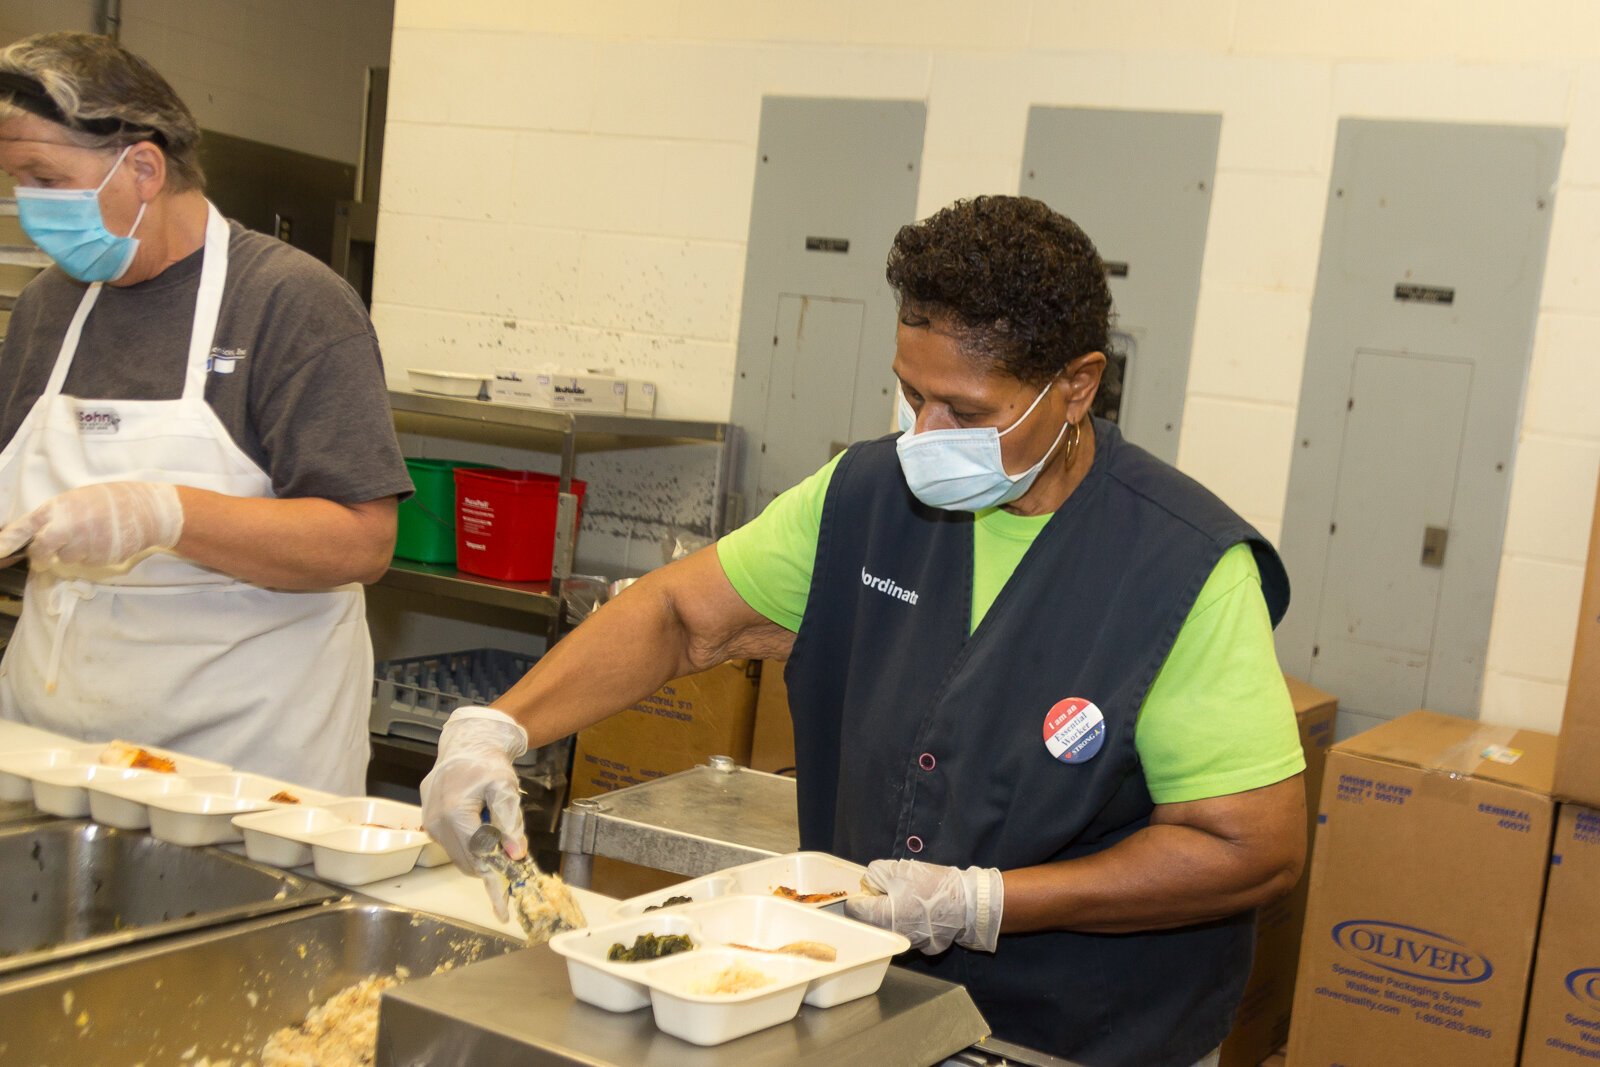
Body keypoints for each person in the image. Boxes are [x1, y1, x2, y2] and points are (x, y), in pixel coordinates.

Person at [422, 196, 1306, 1067]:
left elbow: (1249, 849)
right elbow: (678, 615)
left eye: (965, 412)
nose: (925, 438)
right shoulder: (864, 496)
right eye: (911, 394)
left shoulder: (1183, 565)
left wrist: (987, 903)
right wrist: (498, 728)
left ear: (1076, 385)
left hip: (1087, 1036)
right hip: (864, 1008)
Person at [0, 33, 411, 794]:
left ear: (145, 167)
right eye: (16, 180)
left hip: (241, 771)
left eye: (45, 178)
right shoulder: (46, 309)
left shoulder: (291, 304)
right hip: (48, 752)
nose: (28, 210)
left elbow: (362, 541)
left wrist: (165, 514)